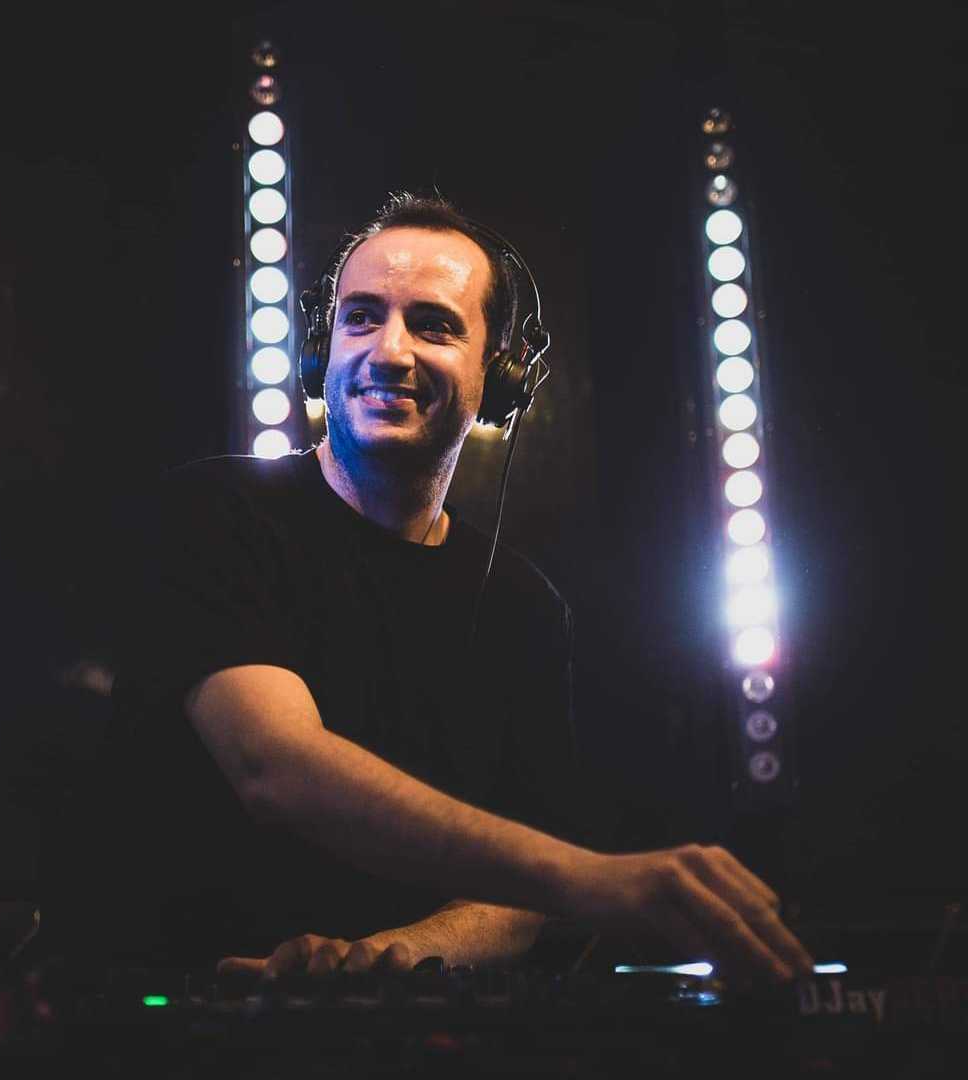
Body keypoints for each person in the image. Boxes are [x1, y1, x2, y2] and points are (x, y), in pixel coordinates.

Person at [82, 192, 813, 987]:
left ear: (500, 374)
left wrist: (382, 960)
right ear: (322, 348)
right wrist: (589, 877)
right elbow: (275, 764)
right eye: (361, 317)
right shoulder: (216, 514)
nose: (388, 351)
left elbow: (516, 906)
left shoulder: (524, 610)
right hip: (172, 1020)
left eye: (432, 325)